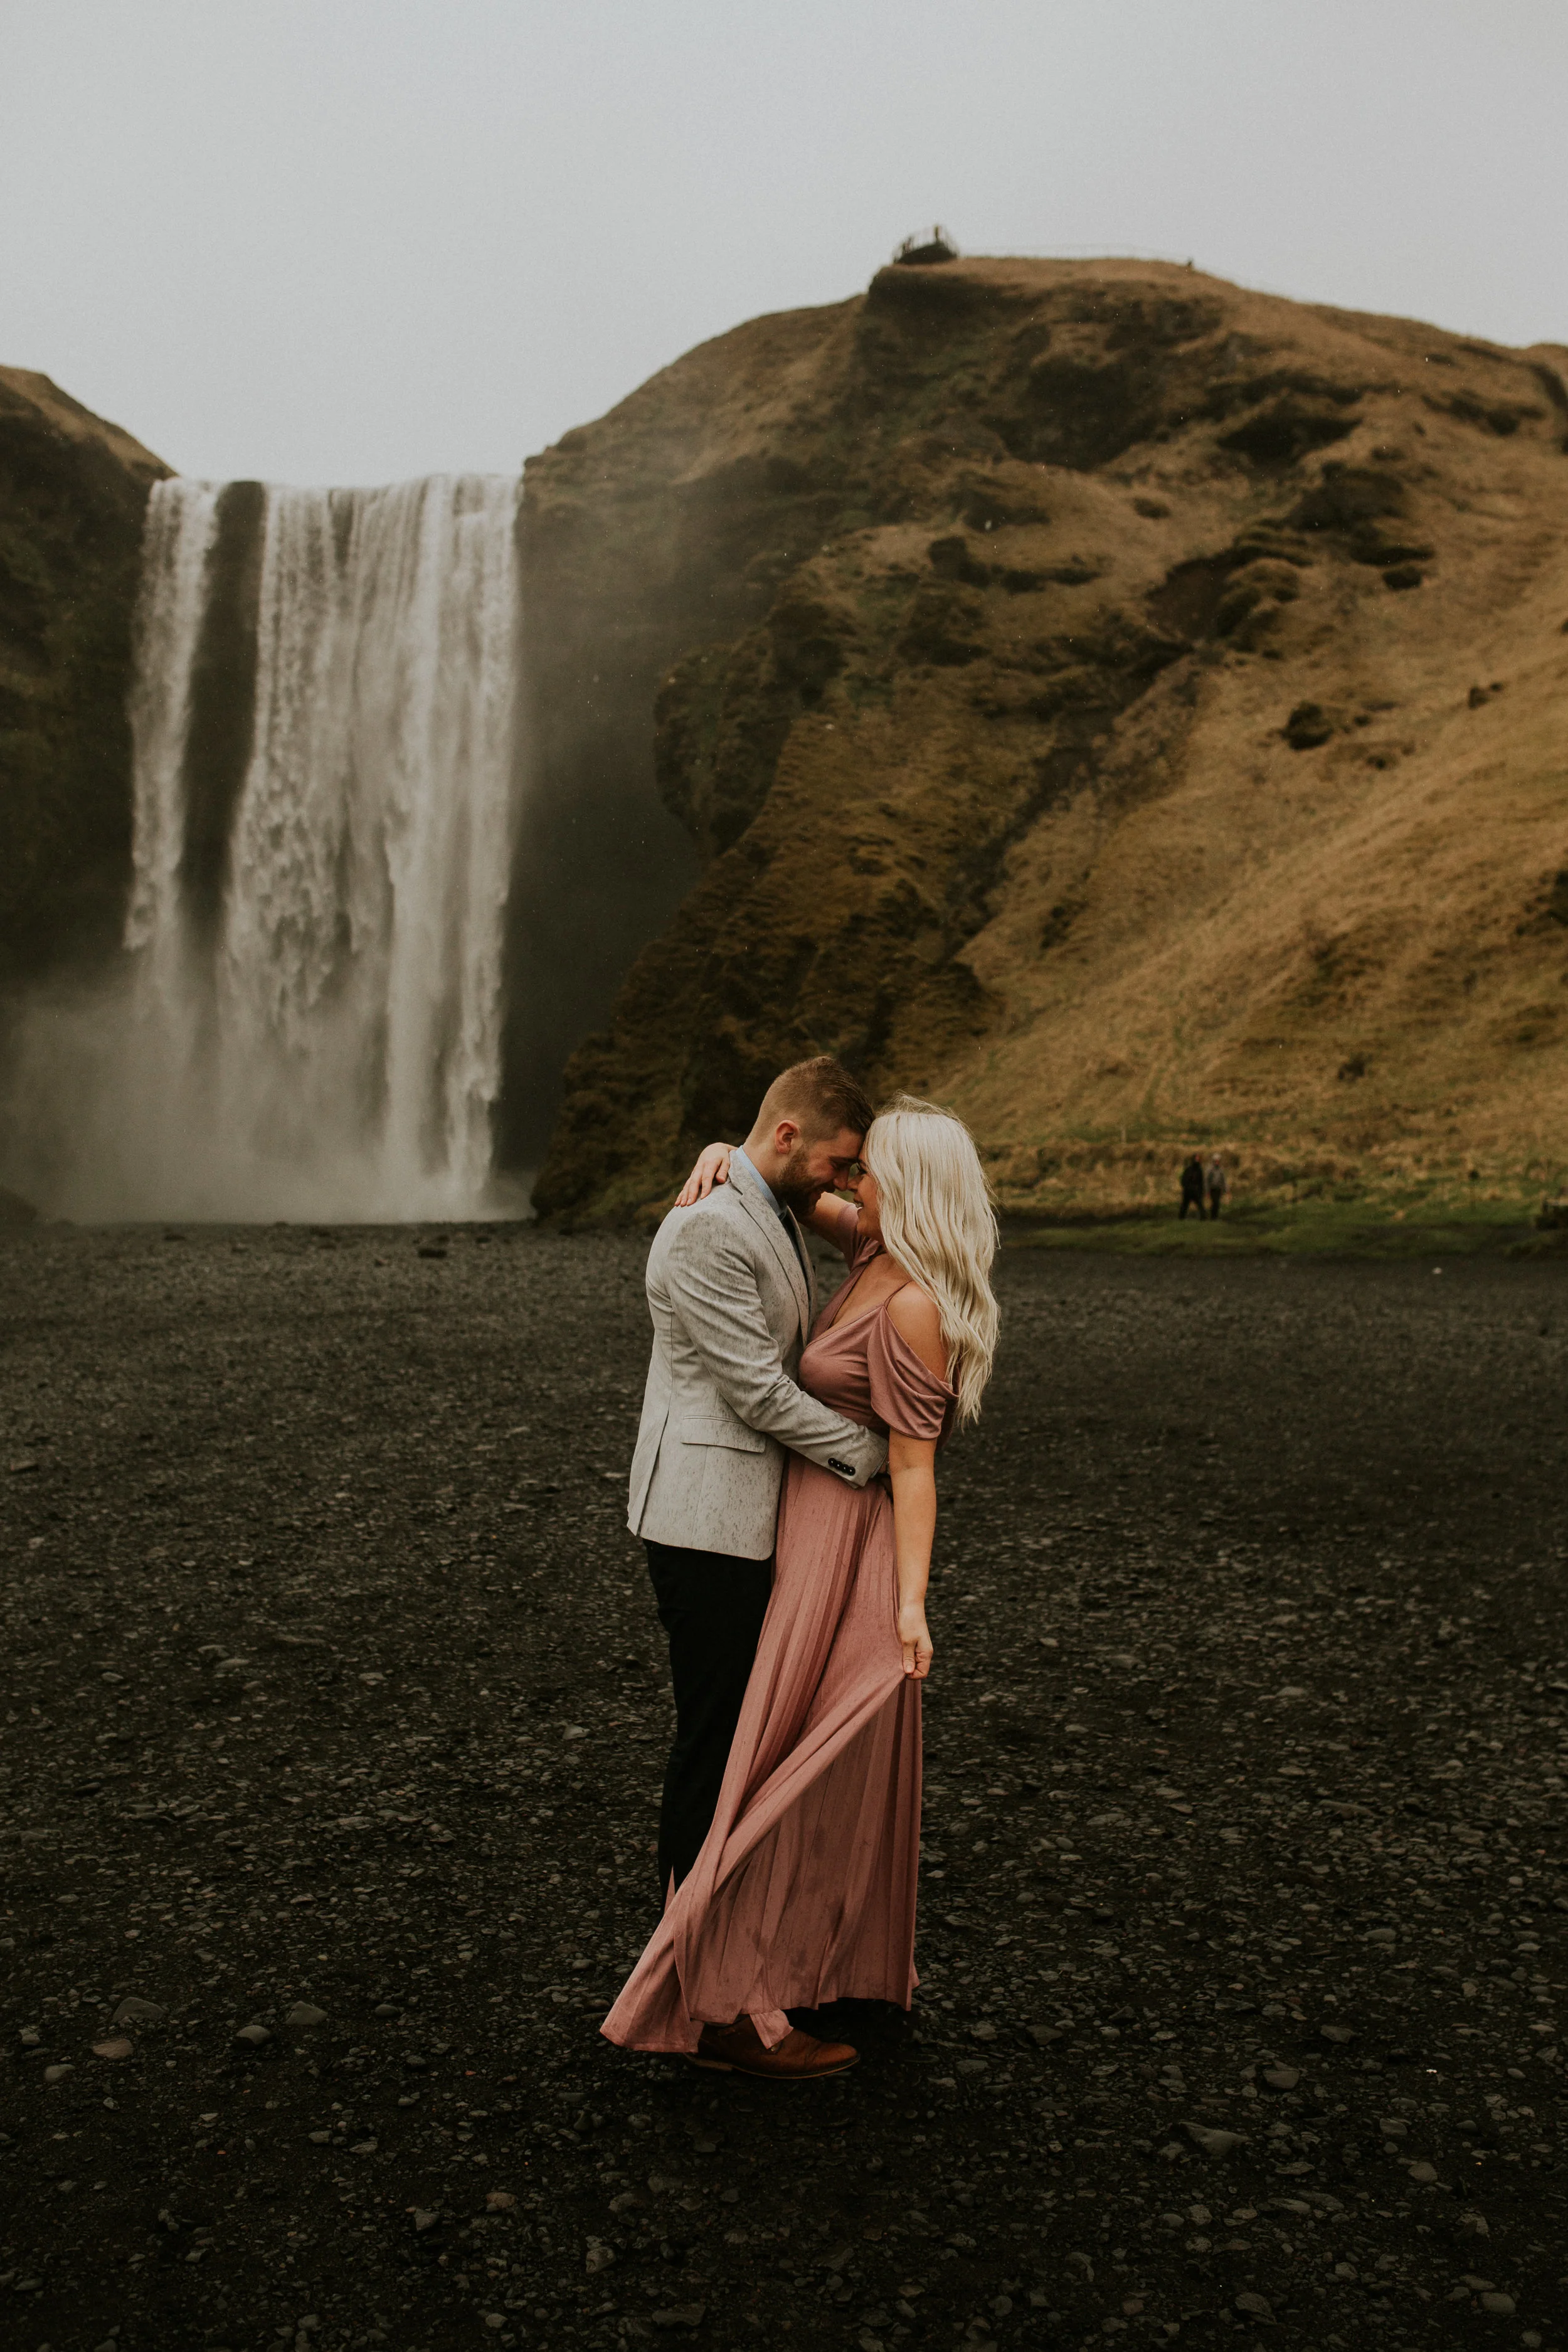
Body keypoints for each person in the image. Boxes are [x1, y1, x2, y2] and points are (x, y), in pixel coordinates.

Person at [603, 1095, 999, 2084]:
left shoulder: (909, 1298)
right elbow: (783, 1174)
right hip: (785, 1531)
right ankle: (726, 1975)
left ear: (904, 1186)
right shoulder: (872, 1245)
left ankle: (744, 1973)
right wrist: (722, 1152)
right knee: (748, 1746)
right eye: (848, 1167)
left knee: (787, 1751)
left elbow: (914, 1468)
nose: (848, 1182)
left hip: (839, 1543)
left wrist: (911, 1605)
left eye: (866, 1170)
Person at [627, 1058, 889, 1963]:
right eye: (840, 1164)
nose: (847, 1183)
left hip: (743, 1514)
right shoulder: (708, 1229)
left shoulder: (768, 1198)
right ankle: (688, 1970)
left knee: (739, 1733)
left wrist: (726, 1152)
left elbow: (868, 1222)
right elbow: (756, 1392)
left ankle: (714, 1943)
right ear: (788, 1138)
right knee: (712, 1740)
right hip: (704, 1521)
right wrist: (876, 1458)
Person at [1179, 1153, 1205, 1220]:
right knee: (1184, 1206)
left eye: (1198, 1159)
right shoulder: (1188, 1170)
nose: (1197, 1160)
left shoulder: (1199, 1170)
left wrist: (1201, 1191)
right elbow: (1184, 1180)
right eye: (1196, 1159)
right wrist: (1187, 1187)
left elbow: (1201, 1182)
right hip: (1188, 1191)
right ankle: (1181, 1218)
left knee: (1200, 1205)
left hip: (1196, 1192)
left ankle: (1203, 1218)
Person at [1205, 1152, 1229, 1220]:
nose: (1217, 1162)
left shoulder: (1221, 1170)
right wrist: (1207, 1191)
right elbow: (1207, 1181)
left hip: (1218, 1189)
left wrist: (1227, 1190)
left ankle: (1215, 1217)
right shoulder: (1210, 1170)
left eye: (1218, 1161)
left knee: (1217, 1204)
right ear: (1214, 1161)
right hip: (1212, 1189)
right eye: (1216, 1161)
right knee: (1214, 1203)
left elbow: (1224, 1180)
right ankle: (1213, 1217)